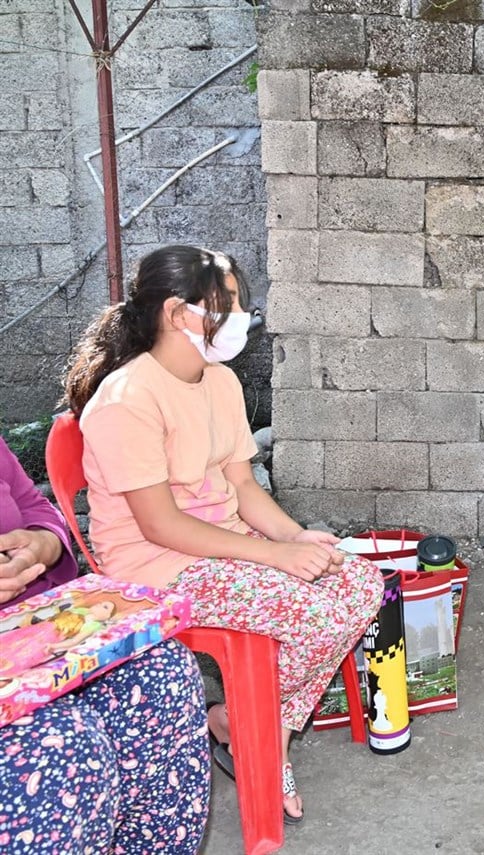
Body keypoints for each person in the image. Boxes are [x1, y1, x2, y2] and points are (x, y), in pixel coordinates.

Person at [62, 245, 385, 823]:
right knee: (314, 615)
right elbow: (160, 524)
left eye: (238, 302)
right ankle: (261, 742)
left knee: (360, 583)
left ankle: (249, 729)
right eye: (225, 304)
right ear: (175, 313)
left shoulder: (220, 382)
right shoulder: (126, 399)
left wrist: (296, 538)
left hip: (223, 545)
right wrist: (275, 557)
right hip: (154, 564)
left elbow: (242, 485)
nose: (240, 316)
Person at [0, 438, 210, 853]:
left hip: (30, 636)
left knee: (162, 672)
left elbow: (35, 508)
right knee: (59, 744)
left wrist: (41, 545)